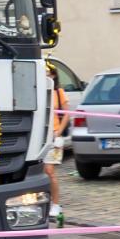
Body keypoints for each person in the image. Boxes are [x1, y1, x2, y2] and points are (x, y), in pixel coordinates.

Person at [42, 56, 70, 228]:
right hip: (40, 136)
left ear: (53, 76)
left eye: (47, 73)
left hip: (54, 135)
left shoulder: (58, 92)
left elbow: (66, 113)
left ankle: (56, 204)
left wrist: (58, 131)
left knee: (49, 171)